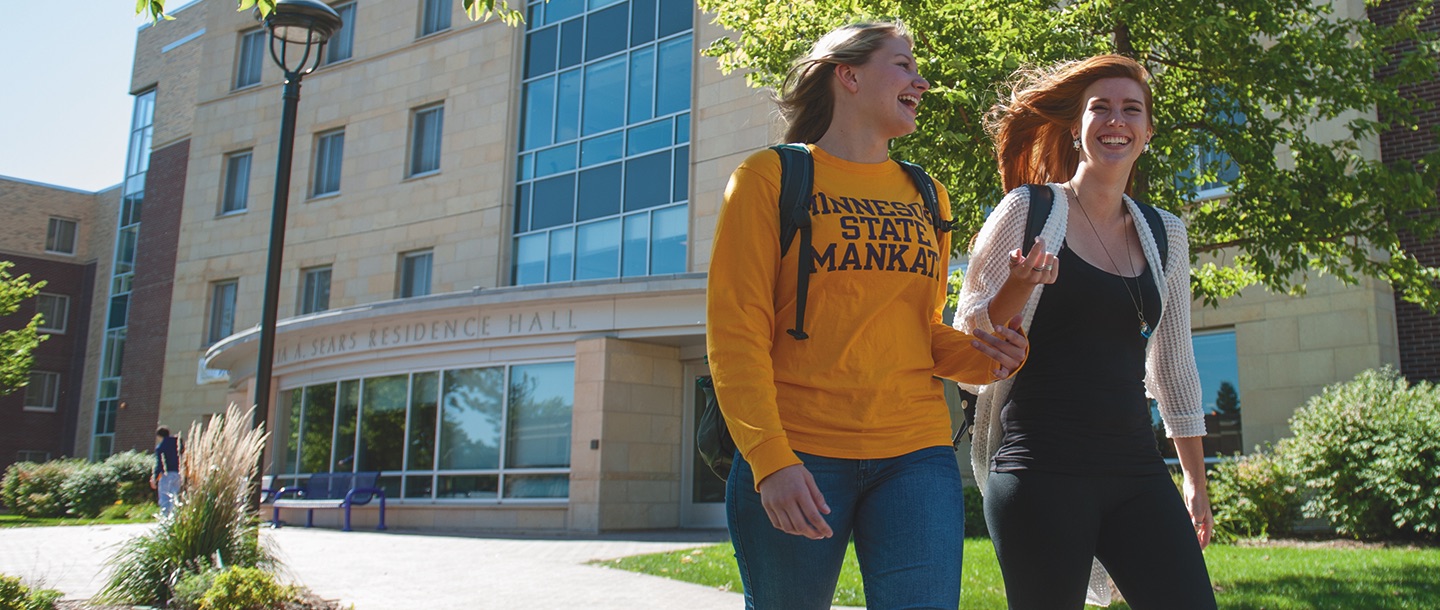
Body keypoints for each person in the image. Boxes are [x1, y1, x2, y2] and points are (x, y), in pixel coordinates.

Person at [706, 21, 1031, 610]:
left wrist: (989, 353)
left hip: (916, 454)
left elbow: (922, 334)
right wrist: (771, 460)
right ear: (848, 75)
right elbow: (736, 335)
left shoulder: (928, 194)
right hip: (798, 453)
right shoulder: (769, 178)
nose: (922, 82)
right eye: (903, 65)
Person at [953, 54, 1217, 609]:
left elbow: (1172, 363)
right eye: (1100, 108)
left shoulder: (1165, 233)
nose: (1115, 120)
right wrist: (1020, 288)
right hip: (1038, 470)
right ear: (1076, 127)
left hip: (1135, 471)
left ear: (1146, 131)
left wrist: (1194, 478)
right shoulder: (1028, 209)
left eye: (1131, 110)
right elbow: (970, 334)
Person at [151, 426, 182, 518]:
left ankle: (165, 519)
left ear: (159, 436)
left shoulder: (161, 447)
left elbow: (159, 464)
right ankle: (175, 518)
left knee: (165, 498)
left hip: (166, 474)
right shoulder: (177, 443)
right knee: (175, 497)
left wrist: (155, 478)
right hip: (178, 473)